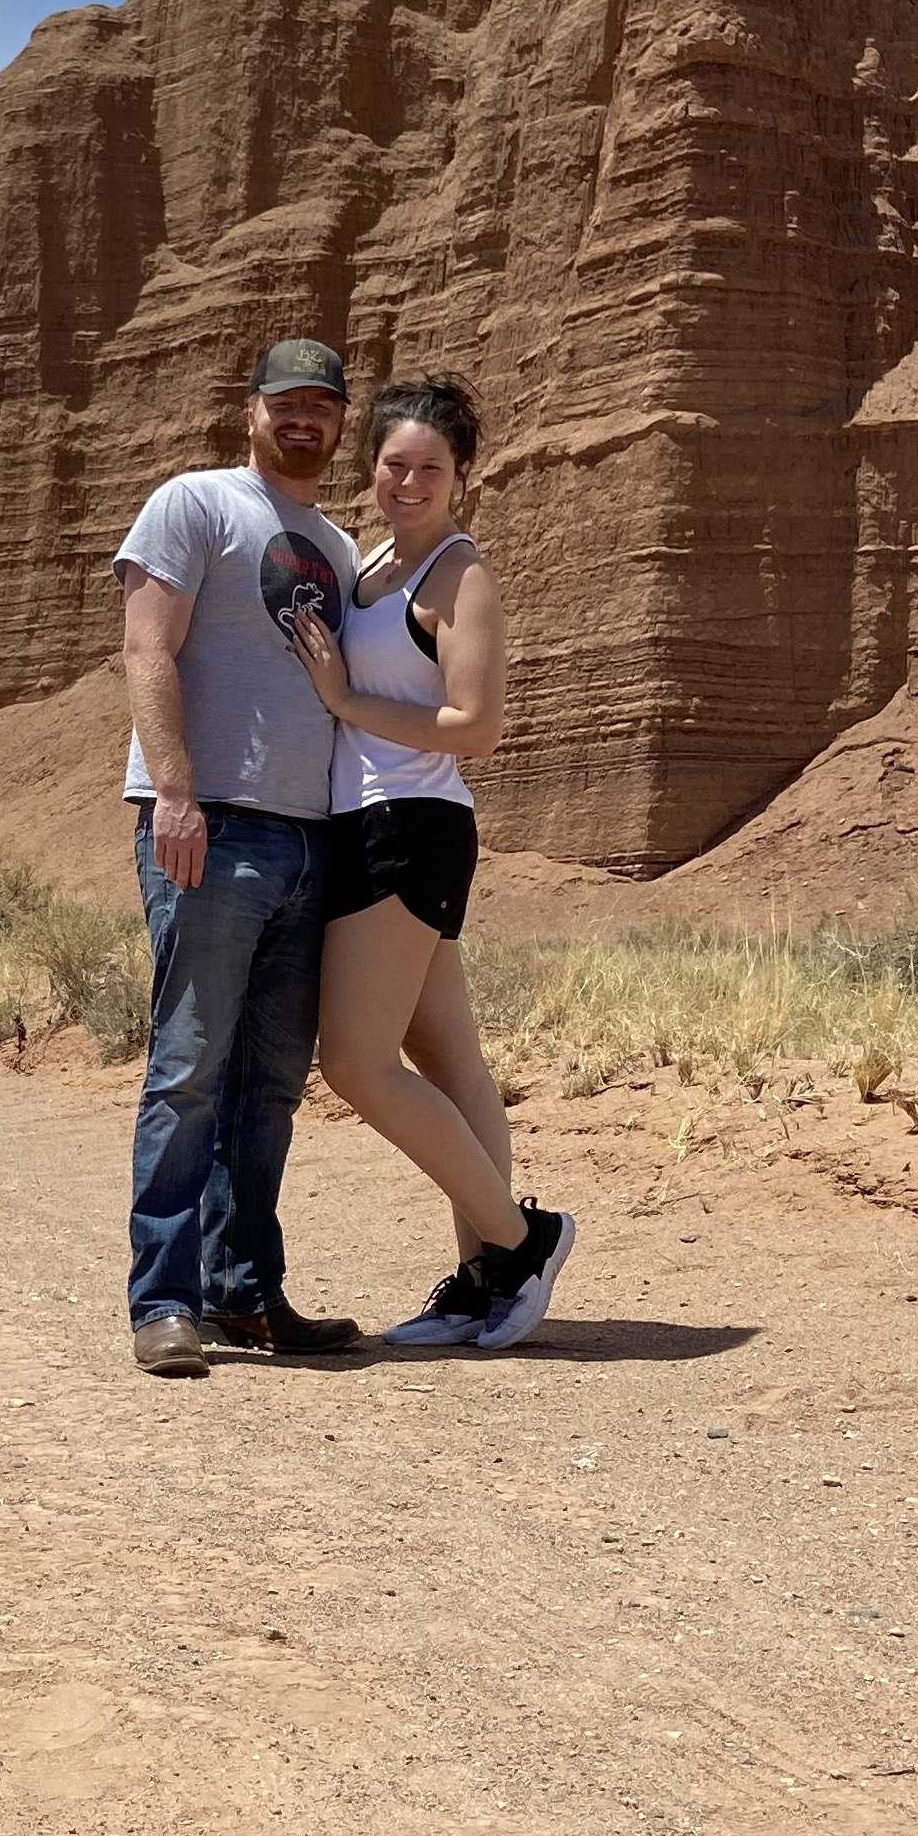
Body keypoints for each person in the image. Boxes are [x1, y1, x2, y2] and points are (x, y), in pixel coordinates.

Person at [285, 373, 575, 1350]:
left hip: (411, 827)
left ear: (462, 478)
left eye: (430, 469)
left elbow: (476, 726)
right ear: (372, 467)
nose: (408, 482)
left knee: (357, 1064)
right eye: (394, 464)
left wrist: (344, 699)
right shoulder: (371, 566)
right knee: (450, 1062)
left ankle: (520, 1240)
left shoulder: (459, 575)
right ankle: (483, 1282)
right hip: (363, 824)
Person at [115, 339, 375, 1378]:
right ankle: (164, 1300)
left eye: (322, 406)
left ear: (341, 424)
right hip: (212, 826)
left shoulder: (341, 547)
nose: (302, 420)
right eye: (286, 403)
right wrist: (174, 793)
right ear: (251, 410)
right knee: (188, 1071)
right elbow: (146, 648)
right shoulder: (194, 504)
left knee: (268, 1084)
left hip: (311, 841)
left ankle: (242, 1292)